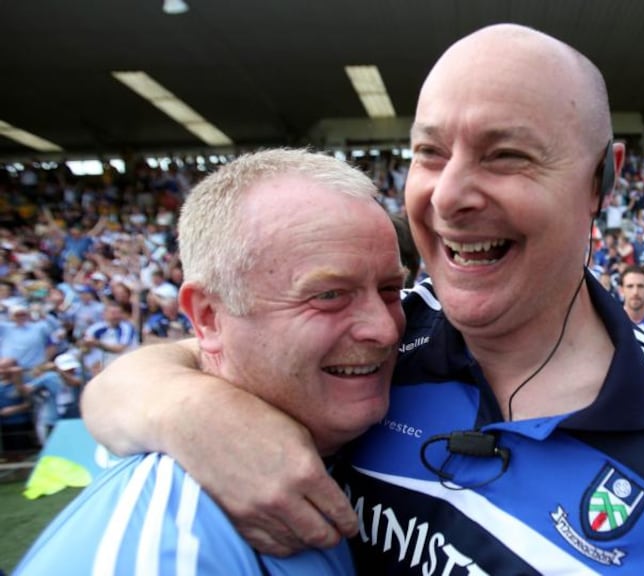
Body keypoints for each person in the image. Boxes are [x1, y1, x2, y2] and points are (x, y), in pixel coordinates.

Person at [83, 24, 644, 573]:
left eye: (505, 155)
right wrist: (193, 411)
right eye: (430, 153)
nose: (447, 196)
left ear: (602, 180)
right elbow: (131, 383)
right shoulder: (366, 346)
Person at [16, 149, 407, 575]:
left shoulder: (422, 353)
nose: (385, 330)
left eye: (390, 289)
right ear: (207, 316)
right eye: (329, 295)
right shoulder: (167, 549)